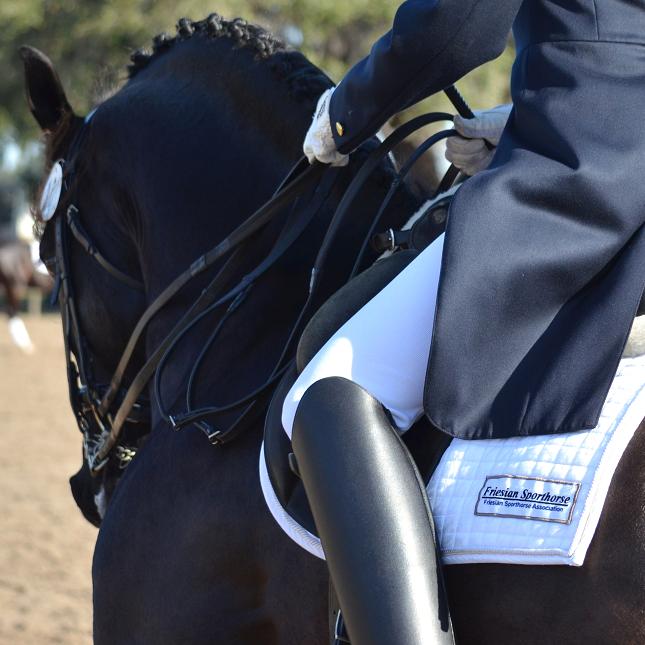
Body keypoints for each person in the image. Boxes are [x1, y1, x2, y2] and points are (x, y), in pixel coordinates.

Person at [264, 2, 645, 643]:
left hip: (586, 177)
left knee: (331, 394)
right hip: (598, 139)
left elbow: (455, 28)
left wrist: (343, 113)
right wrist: (525, 118)